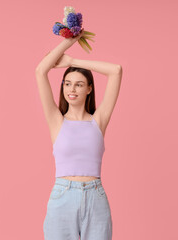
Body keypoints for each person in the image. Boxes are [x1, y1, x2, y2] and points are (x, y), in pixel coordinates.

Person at [35, 29, 123, 240]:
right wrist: (70, 41)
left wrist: (73, 60)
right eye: (67, 83)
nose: (71, 89)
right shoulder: (57, 120)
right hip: (62, 197)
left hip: (96, 198)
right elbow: (41, 71)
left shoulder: (98, 120)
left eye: (79, 84)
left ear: (89, 89)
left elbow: (116, 71)